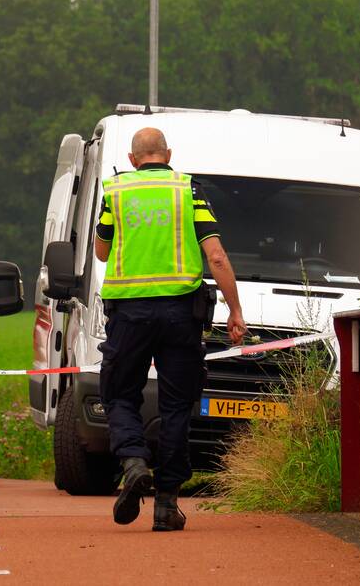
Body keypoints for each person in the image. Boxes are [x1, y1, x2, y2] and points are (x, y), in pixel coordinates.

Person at [94, 126, 247, 531]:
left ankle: (132, 462)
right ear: (168, 153)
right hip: (182, 314)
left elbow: (102, 249)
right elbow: (214, 255)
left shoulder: (116, 192)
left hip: (129, 315)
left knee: (119, 393)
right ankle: (166, 504)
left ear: (132, 159)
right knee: (177, 405)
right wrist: (235, 310)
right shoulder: (189, 191)